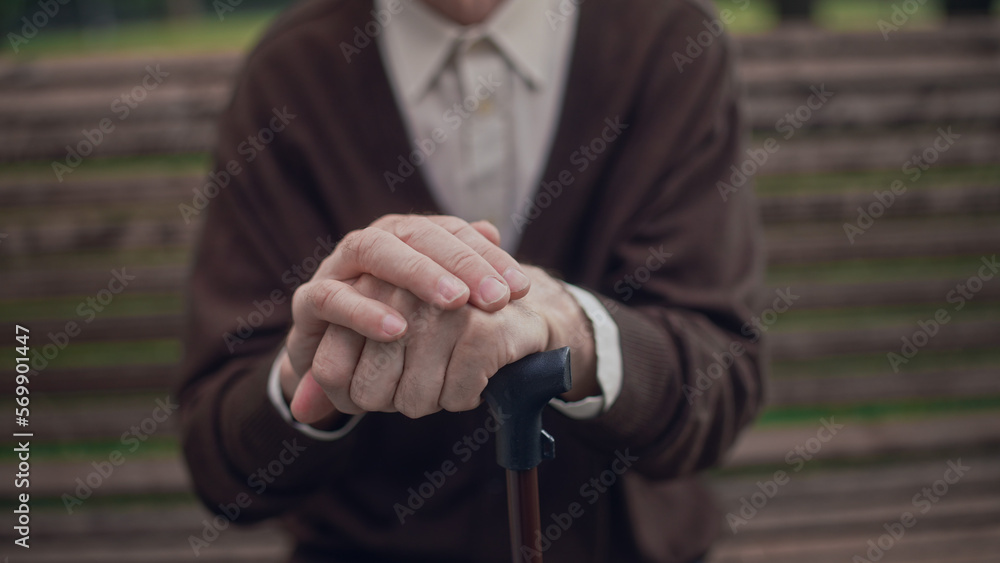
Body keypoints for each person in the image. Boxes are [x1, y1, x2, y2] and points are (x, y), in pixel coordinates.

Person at [178, 0, 766, 561]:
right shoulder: (291, 71)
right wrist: (302, 379)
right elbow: (223, 467)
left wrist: (566, 327)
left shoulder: (666, 41)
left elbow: (718, 381)